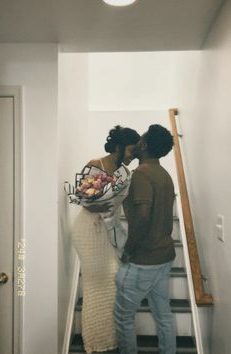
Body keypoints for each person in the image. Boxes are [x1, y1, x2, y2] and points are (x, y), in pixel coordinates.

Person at [72, 125, 140, 354]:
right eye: (131, 151)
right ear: (119, 147)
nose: (133, 156)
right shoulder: (96, 164)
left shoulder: (126, 173)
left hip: (110, 229)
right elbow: (81, 197)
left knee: (113, 280)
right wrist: (95, 205)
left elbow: (122, 204)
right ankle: (95, 343)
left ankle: (111, 340)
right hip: (88, 230)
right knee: (93, 284)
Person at [114, 124, 176, 354]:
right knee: (163, 314)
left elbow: (141, 217)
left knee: (122, 316)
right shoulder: (164, 174)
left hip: (144, 260)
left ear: (145, 145)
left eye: (140, 139)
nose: (137, 143)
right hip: (165, 256)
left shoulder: (140, 174)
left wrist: (128, 249)